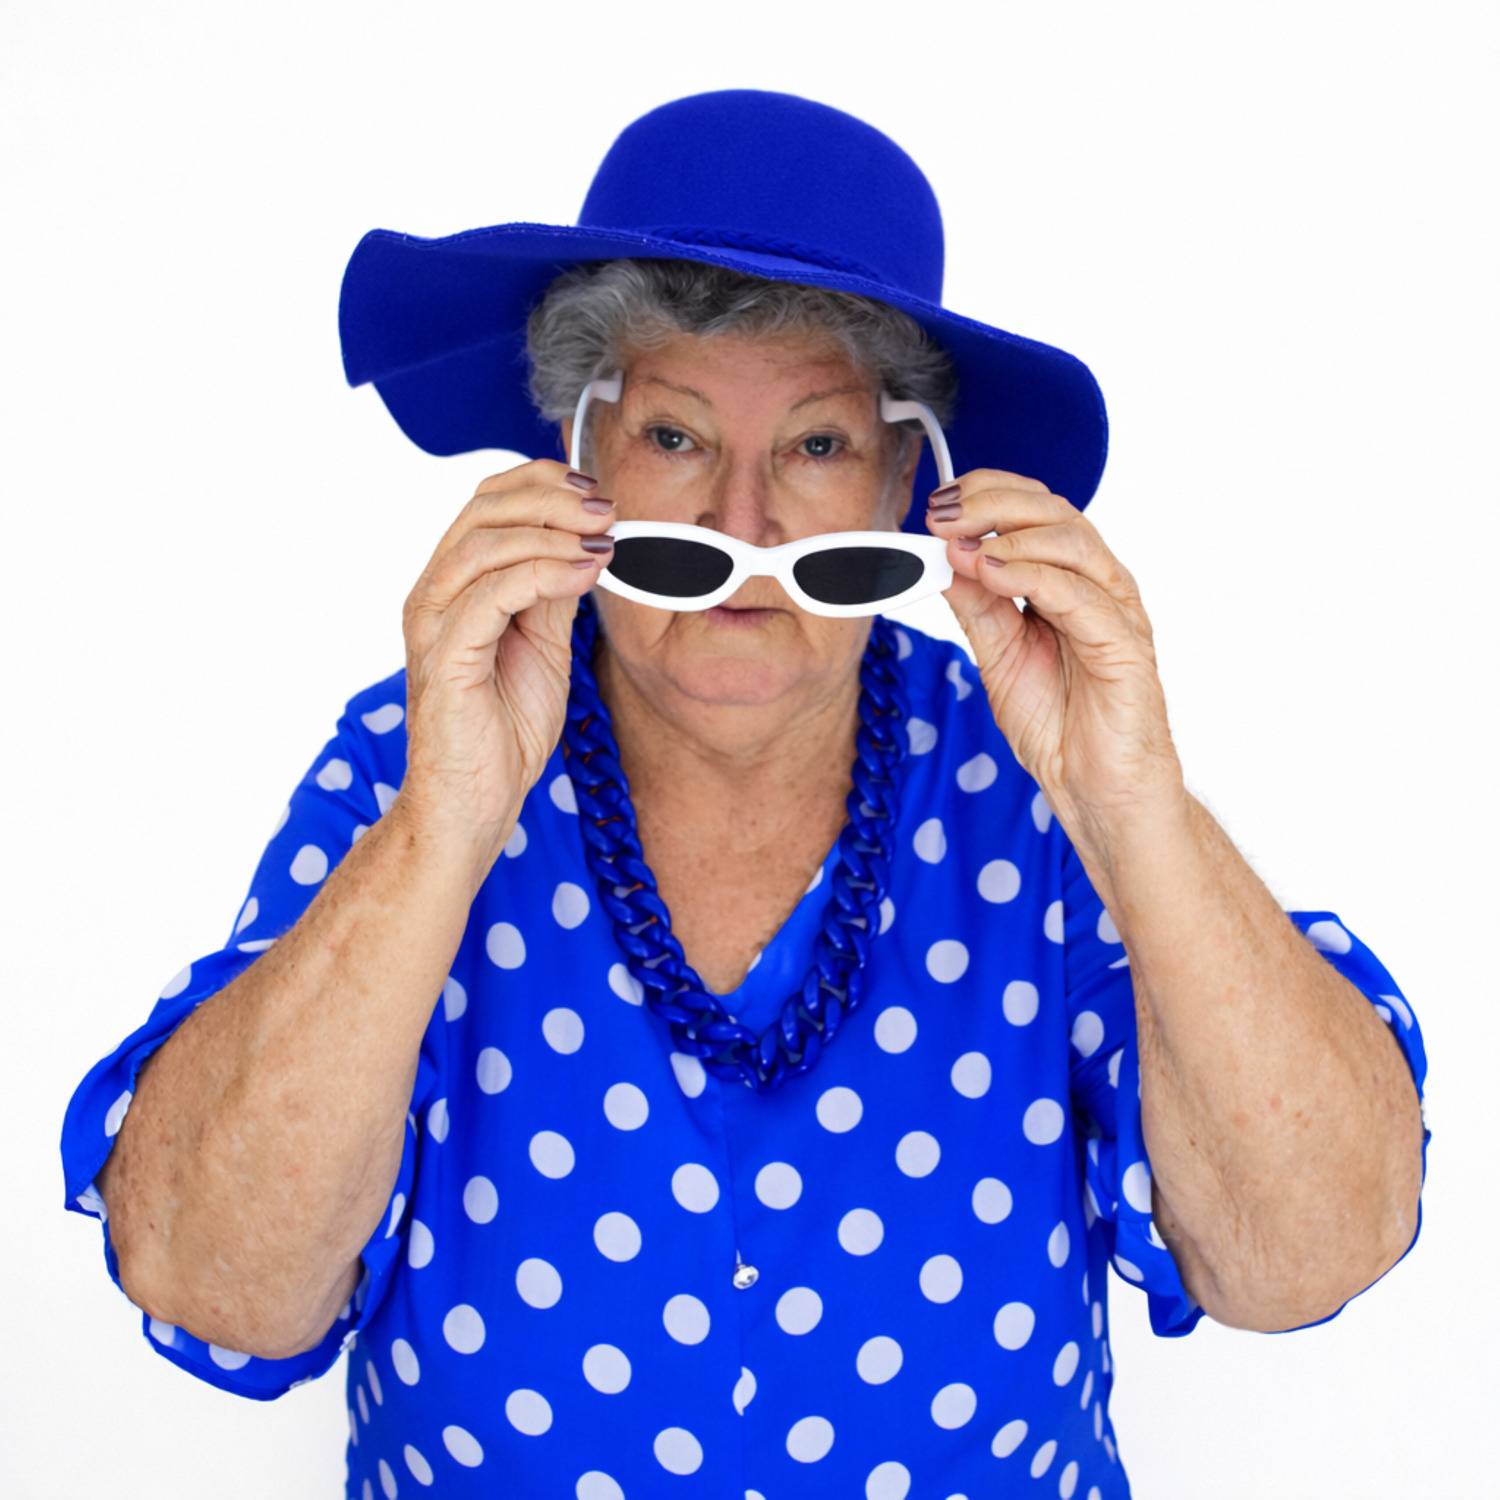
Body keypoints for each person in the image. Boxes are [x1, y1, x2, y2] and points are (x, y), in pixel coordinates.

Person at [60, 89, 1430, 1499]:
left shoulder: (1032, 785)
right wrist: (439, 828)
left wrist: (1132, 801)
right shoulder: (417, 756)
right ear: (578, 459)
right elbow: (216, 1282)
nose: (742, 522)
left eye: (818, 445)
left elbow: (1305, 1256)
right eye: (674, 437)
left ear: (907, 483)